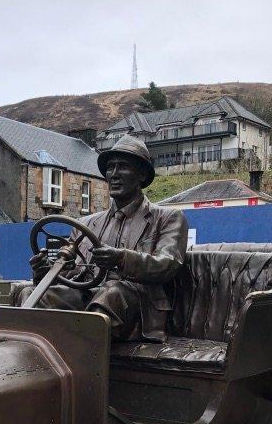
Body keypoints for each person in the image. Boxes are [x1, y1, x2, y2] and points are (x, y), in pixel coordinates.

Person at [17, 134, 188, 342]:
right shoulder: (86, 224)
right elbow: (74, 275)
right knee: (30, 294)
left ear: (142, 175)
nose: (114, 174)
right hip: (88, 295)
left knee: (111, 293)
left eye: (123, 167)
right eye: (110, 168)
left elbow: (167, 264)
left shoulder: (168, 218)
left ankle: (76, 363)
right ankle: (34, 362)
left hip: (136, 305)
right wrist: (45, 272)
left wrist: (122, 259)